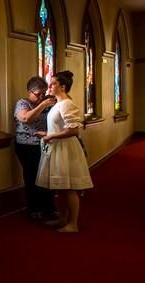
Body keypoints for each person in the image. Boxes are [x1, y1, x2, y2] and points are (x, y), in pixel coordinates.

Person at [35, 70, 93, 233]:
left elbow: (74, 130)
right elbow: (60, 127)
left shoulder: (67, 104)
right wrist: (46, 134)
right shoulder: (58, 104)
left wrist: (51, 135)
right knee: (60, 186)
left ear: (62, 86)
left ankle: (73, 224)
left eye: (53, 84)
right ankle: (63, 218)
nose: (50, 86)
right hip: (57, 146)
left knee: (68, 188)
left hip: (65, 149)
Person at [14, 76, 57, 221]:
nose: (41, 97)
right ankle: (33, 208)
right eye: (38, 94)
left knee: (48, 177)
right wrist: (42, 105)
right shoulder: (23, 103)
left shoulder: (47, 102)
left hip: (46, 143)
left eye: (43, 94)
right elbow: (26, 118)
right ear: (29, 92)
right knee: (32, 177)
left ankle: (49, 207)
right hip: (27, 146)